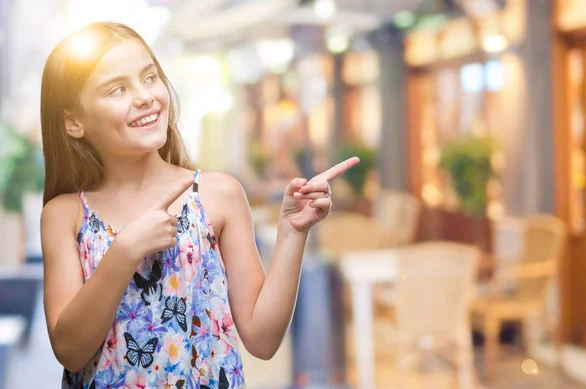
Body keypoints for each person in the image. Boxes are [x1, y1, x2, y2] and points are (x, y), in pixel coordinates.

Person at [39, 21, 359, 389]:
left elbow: (262, 338)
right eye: (116, 89)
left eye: (149, 77)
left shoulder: (217, 195)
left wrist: (292, 231)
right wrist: (124, 251)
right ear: (73, 121)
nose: (144, 96)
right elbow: (69, 350)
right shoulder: (65, 215)